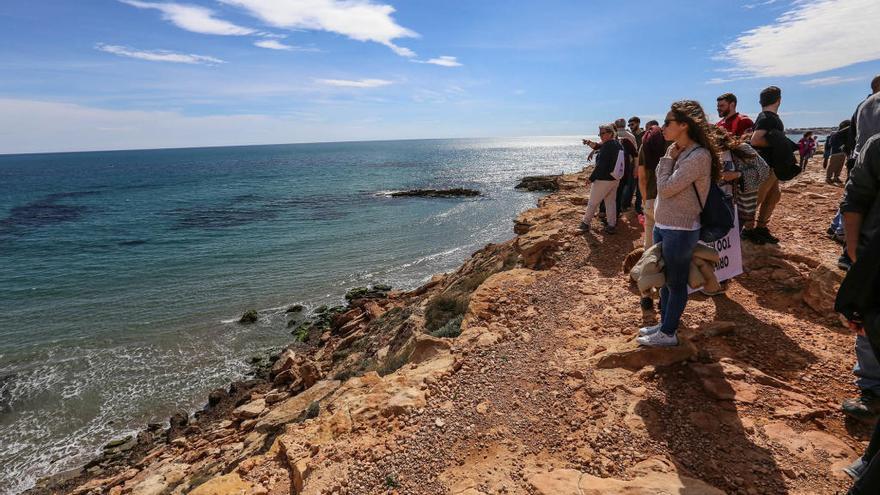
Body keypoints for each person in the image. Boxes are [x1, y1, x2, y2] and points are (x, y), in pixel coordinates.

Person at [637, 100, 719, 347]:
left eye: (667, 122)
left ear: (684, 125)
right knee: (665, 279)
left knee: (675, 282)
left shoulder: (698, 156)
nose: (663, 127)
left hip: (680, 230)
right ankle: (664, 326)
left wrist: (665, 160)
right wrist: (670, 157)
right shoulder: (680, 152)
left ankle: (669, 332)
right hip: (666, 226)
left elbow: (666, 187)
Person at [837, 133, 880, 490]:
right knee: (867, 329)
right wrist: (854, 254)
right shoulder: (878, 146)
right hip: (874, 262)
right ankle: (871, 388)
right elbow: (855, 199)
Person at [712, 126, 770, 242]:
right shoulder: (705, 153)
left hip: (736, 206)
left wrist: (738, 175)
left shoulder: (742, 149)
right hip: (713, 206)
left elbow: (764, 170)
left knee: (730, 242)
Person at [746, 86, 785, 245]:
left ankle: (761, 227)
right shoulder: (768, 117)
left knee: (774, 196)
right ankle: (747, 230)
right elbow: (755, 140)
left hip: (771, 165)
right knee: (758, 198)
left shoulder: (767, 116)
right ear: (779, 100)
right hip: (765, 165)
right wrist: (779, 143)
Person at [637, 119, 666, 312]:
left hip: (651, 200)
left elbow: (641, 177)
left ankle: (646, 296)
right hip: (669, 204)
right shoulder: (674, 146)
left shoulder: (645, 146)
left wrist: (645, 200)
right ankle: (664, 296)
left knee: (649, 249)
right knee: (666, 250)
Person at [581, 124, 623, 234]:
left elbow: (601, 166)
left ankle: (585, 223)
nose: (600, 136)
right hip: (614, 178)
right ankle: (611, 225)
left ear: (610, 133)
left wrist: (591, 178)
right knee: (610, 202)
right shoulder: (617, 144)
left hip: (603, 180)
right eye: (600, 133)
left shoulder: (607, 146)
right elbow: (597, 147)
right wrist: (589, 143)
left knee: (592, 203)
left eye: (603, 133)